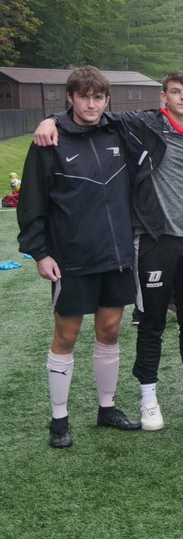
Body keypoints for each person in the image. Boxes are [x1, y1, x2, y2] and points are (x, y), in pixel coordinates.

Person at [35, 70, 183, 430]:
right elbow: (90, 117)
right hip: (154, 240)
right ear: (164, 97)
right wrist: (49, 119)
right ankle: (148, 400)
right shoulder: (143, 125)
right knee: (152, 323)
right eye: (176, 92)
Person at [18, 66, 141, 447]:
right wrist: (40, 253)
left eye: (98, 97)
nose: (92, 104)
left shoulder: (119, 130)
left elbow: (164, 119)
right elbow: (32, 202)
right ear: (69, 97)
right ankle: (59, 419)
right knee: (66, 337)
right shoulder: (48, 142)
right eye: (84, 96)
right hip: (71, 259)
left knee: (109, 332)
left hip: (117, 254)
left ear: (107, 100)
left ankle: (107, 408)